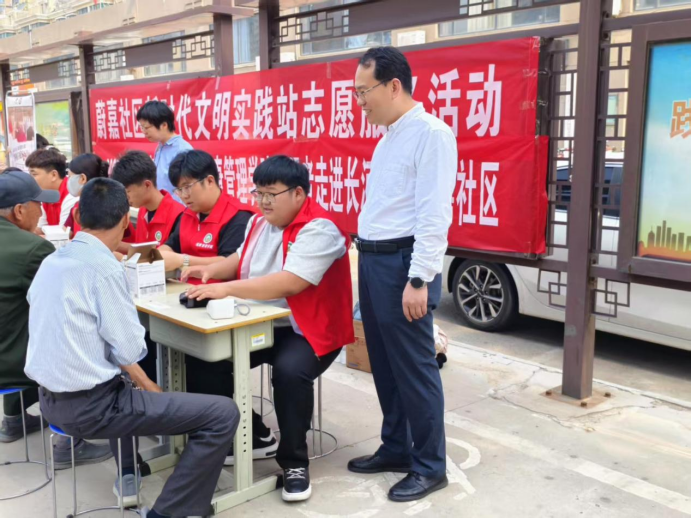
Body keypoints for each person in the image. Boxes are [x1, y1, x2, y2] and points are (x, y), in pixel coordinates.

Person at [25, 178, 240, 518]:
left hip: (49, 401)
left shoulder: (52, 261)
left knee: (130, 383)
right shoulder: (106, 270)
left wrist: (146, 382)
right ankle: (168, 512)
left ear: (77, 216)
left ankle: (133, 475)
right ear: (126, 221)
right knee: (222, 413)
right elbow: (130, 349)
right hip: (94, 408)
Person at [184, 155, 354, 503]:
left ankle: (294, 463)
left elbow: (291, 282)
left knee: (290, 373)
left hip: (306, 330)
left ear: (298, 193)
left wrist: (226, 289)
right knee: (203, 358)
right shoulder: (258, 222)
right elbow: (241, 258)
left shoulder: (320, 228)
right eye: (258, 192)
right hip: (259, 322)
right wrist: (211, 271)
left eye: (271, 194)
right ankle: (244, 435)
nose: (262, 201)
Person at [346, 47, 457, 502]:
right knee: (386, 363)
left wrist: (419, 279)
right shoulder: (387, 137)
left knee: (415, 368)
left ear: (394, 86)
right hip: (374, 261)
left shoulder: (432, 134)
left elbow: (434, 214)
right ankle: (396, 447)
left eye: (364, 92)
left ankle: (430, 466)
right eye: (356, 93)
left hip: (404, 266)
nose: (360, 102)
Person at [154, 150, 274, 465]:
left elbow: (231, 263)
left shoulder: (239, 217)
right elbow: (169, 246)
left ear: (210, 180)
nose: (183, 195)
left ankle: (251, 432)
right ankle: (203, 425)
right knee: (162, 349)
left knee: (202, 362)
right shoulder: (186, 215)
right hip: (190, 305)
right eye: (178, 189)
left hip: (231, 312)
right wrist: (164, 252)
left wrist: (183, 260)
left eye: (187, 187)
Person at [0, 168, 112, 469]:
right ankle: (69, 443)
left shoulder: (24, 244)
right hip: (12, 361)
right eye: (37, 205)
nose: (41, 212)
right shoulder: (32, 249)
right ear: (19, 211)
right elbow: (67, 299)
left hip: (6, 348)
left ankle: (13, 419)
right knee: (72, 334)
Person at [111, 150, 185, 246]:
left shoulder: (179, 216)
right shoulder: (143, 211)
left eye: (128, 192)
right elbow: (142, 249)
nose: (126, 198)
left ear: (147, 185)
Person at [136, 100, 192, 204]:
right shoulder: (161, 146)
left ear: (164, 125)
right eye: (141, 127)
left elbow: (188, 190)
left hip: (177, 210)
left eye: (147, 127)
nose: (144, 132)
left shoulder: (182, 150)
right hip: (164, 208)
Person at [26, 147, 77, 228]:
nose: (30, 179)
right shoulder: (45, 193)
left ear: (53, 175)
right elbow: (39, 227)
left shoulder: (72, 194)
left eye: (34, 174)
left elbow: (63, 232)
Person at [63, 153, 110, 236]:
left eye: (70, 176)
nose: (67, 180)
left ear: (82, 178)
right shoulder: (77, 206)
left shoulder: (108, 207)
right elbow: (65, 233)